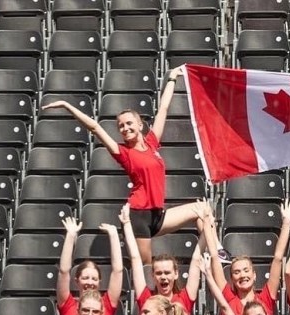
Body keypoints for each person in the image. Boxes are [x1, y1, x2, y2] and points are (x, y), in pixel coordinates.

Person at [43, 67, 200, 264]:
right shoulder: (123, 152)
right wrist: (67, 106)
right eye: (121, 126)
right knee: (146, 268)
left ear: (140, 124)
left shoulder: (152, 142)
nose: (125, 128)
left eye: (129, 123)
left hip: (157, 214)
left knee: (202, 210)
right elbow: (94, 127)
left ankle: (215, 254)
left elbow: (164, 109)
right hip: (139, 215)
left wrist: (172, 78)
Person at [56, 216, 123, 315]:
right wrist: (70, 236)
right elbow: (63, 271)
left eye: (94, 279)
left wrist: (113, 235)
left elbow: (118, 271)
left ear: (99, 282)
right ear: (77, 281)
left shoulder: (106, 305)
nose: (90, 282)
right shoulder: (68, 306)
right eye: (85, 278)